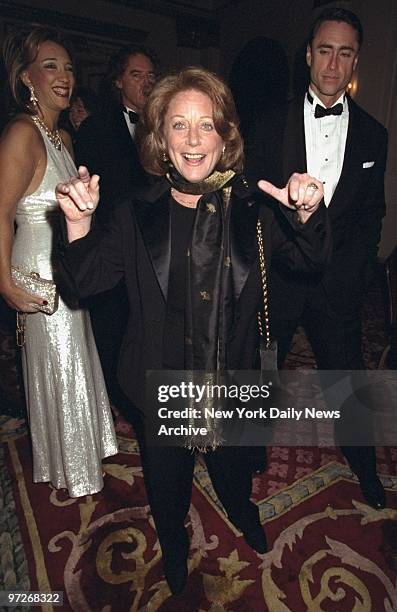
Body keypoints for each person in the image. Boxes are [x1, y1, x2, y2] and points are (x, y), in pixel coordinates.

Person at [56, 66, 330, 595]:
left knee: (232, 470)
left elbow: (311, 262)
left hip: (233, 381)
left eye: (205, 125)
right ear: (160, 139)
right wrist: (78, 225)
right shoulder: (135, 213)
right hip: (161, 385)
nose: (193, 139)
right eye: (179, 126)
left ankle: (240, 509)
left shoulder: (255, 210)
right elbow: (85, 281)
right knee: (167, 487)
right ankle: (175, 544)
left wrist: (306, 213)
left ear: (225, 134)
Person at [246, 8, 388, 509]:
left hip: (338, 287)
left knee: (349, 380)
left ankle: (365, 466)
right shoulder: (266, 122)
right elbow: (250, 197)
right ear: (308, 54)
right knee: (264, 370)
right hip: (278, 279)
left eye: (344, 53)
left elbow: (372, 216)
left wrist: (356, 275)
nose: (332, 63)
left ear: (355, 63)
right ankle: (253, 450)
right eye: (324, 50)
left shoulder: (375, 135)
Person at [0, 25, 118, 497]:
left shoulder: (63, 138)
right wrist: (4, 281)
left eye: (68, 67)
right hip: (38, 270)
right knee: (60, 367)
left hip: (69, 268)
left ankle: (79, 454)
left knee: (75, 362)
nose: (64, 76)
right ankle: (72, 471)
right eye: (50, 66)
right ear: (26, 76)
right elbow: (1, 212)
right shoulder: (21, 134)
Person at [74, 45, 158, 414]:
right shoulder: (97, 126)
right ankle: (117, 402)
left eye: (151, 75)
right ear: (119, 81)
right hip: (117, 238)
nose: (147, 82)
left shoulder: (166, 123)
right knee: (114, 327)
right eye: (137, 75)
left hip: (158, 242)